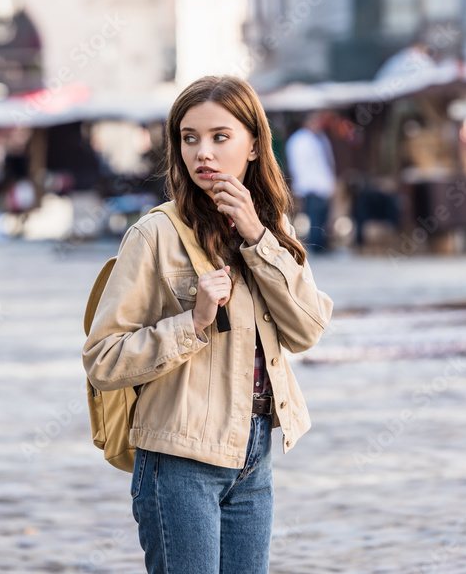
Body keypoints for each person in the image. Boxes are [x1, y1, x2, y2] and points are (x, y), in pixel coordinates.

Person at [82, 75, 333, 574]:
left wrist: (257, 238)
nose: (204, 153)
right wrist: (192, 323)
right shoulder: (154, 234)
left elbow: (306, 330)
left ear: (255, 144)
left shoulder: (272, 228)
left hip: (254, 452)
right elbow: (102, 360)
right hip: (179, 460)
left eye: (220, 137)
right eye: (189, 137)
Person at [285, 110, 336, 253]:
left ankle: (323, 245)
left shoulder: (320, 138)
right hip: (311, 187)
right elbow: (299, 167)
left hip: (323, 186)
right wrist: (306, 186)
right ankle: (316, 247)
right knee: (315, 219)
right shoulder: (299, 141)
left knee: (323, 218)